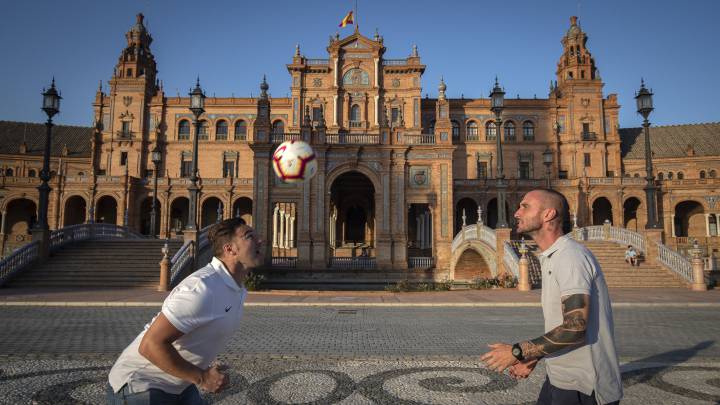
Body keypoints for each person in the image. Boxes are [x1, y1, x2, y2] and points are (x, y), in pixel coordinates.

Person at [481, 189, 622, 405]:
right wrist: (533, 356)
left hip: (584, 388)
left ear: (548, 215)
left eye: (525, 206)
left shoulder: (570, 256)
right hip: (560, 379)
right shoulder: (552, 256)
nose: (516, 213)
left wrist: (517, 352)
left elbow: (575, 327)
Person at [107, 217, 263, 404]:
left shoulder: (236, 288)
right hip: (141, 385)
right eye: (249, 236)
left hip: (179, 386)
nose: (259, 240)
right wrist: (203, 377)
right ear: (230, 249)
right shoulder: (201, 288)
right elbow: (150, 345)